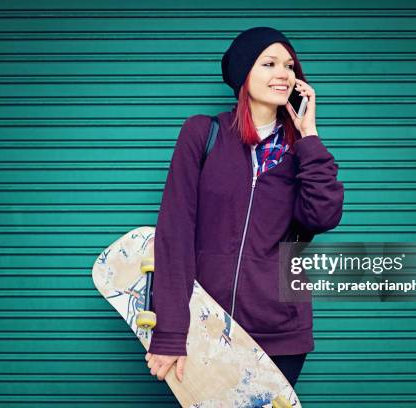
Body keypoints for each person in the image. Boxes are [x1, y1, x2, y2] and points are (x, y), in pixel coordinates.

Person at [144, 27, 344, 388]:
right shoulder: (203, 134)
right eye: (269, 63)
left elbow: (323, 216)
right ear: (243, 75)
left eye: (289, 66)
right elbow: (174, 234)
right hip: (204, 327)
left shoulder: (301, 153)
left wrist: (309, 135)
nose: (283, 73)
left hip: (280, 334)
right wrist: (171, 331)